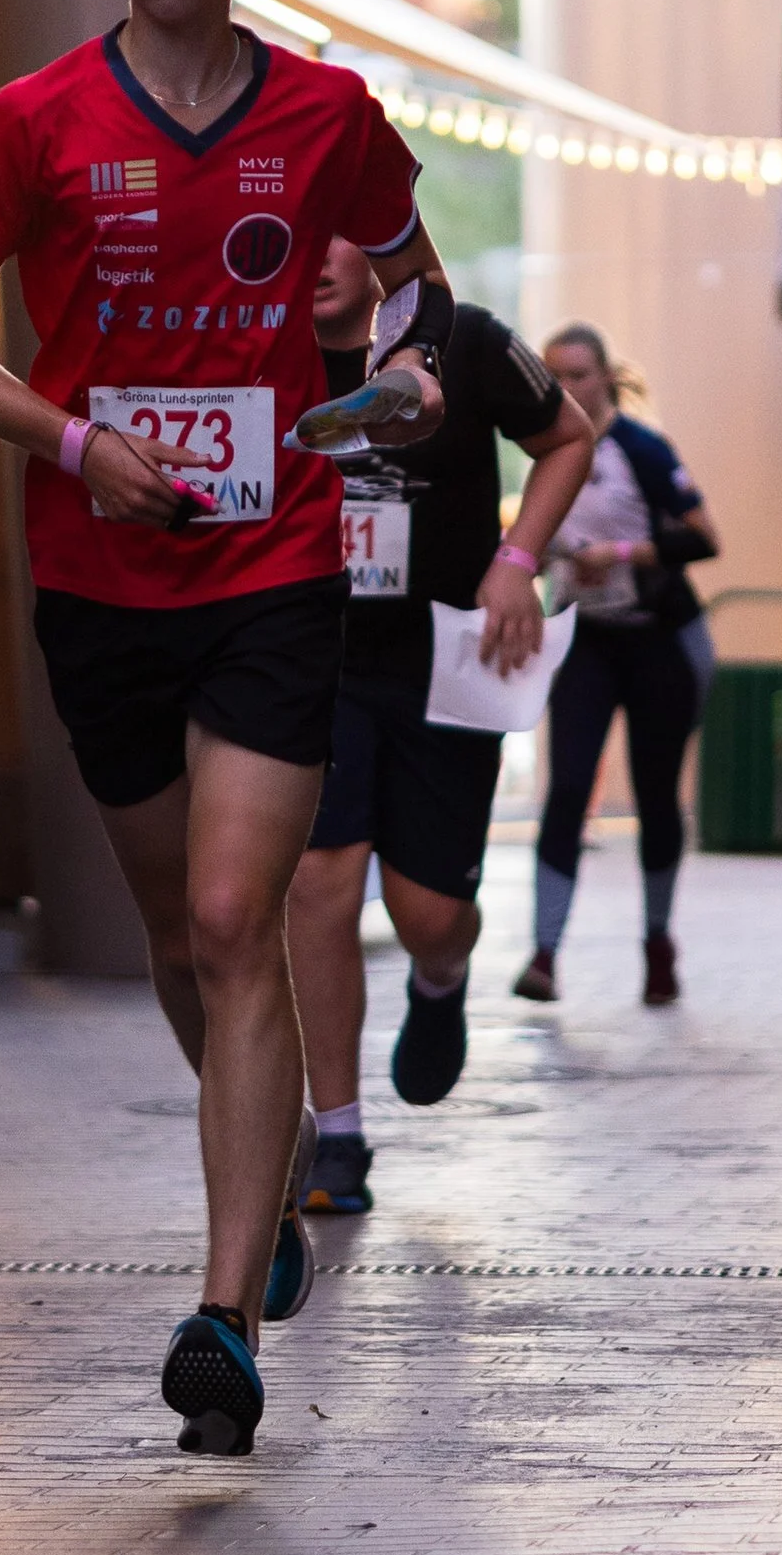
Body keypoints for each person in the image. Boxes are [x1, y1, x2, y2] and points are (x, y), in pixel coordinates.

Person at [0, 0, 458, 1460]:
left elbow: (421, 320)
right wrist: (80, 445)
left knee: (235, 916)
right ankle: (270, 1179)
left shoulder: (332, 117)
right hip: (97, 579)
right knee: (168, 931)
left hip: (278, 566)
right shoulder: (32, 124)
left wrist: (395, 390)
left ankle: (224, 1319)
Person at [285, 241, 595, 1217]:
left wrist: (515, 558)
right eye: (298, 230)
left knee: (424, 909)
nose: (319, 257)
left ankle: (441, 970)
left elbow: (568, 436)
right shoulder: (265, 346)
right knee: (319, 880)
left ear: (386, 249)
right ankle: (337, 1134)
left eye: (344, 233)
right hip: (316, 656)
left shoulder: (464, 342)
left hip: (447, 657)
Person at [516, 324, 718, 1006]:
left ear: (605, 378)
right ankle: (544, 953)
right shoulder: (542, 450)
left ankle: (658, 942)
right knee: (568, 788)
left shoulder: (643, 448)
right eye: (554, 375)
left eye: (578, 374)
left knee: (657, 795)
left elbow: (703, 537)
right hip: (588, 640)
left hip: (661, 638)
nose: (566, 388)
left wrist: (623, 554)